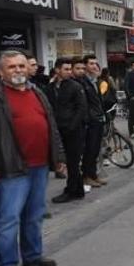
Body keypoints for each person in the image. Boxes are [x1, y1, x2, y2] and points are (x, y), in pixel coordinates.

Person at [0, 50, 65, 266]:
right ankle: (7, 264)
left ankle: (32, 255)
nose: (18, 70)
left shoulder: (36, 91)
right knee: (9, 217)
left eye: (21, 66)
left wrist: (58, 158)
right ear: (1, 72)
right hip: (11, 168)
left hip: (39, 165)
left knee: (34, 214)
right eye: (12, 67)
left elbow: (51, 125)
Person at [48, 59, 87, 204]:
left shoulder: (75, 86)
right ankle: (78, 189)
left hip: (73, 130)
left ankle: (71, 190)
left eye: (70, 69)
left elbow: (81, 108)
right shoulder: (51, 87)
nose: (69, 72)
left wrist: (72, 126)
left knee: (72, 162)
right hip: (58, 130)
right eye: (66, 69)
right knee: (69, 162)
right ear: (57, 70)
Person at [75, 56, 107, 188]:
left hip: (98, 118)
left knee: (95, 150)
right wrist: (89, 118)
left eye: (95, 63)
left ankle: (93, 175)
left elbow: (98, 100)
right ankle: (87, 176)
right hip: (91, 120)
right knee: (90, 149)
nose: (94, 66)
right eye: (91, 64)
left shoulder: (94, 80)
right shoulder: (82, 82)